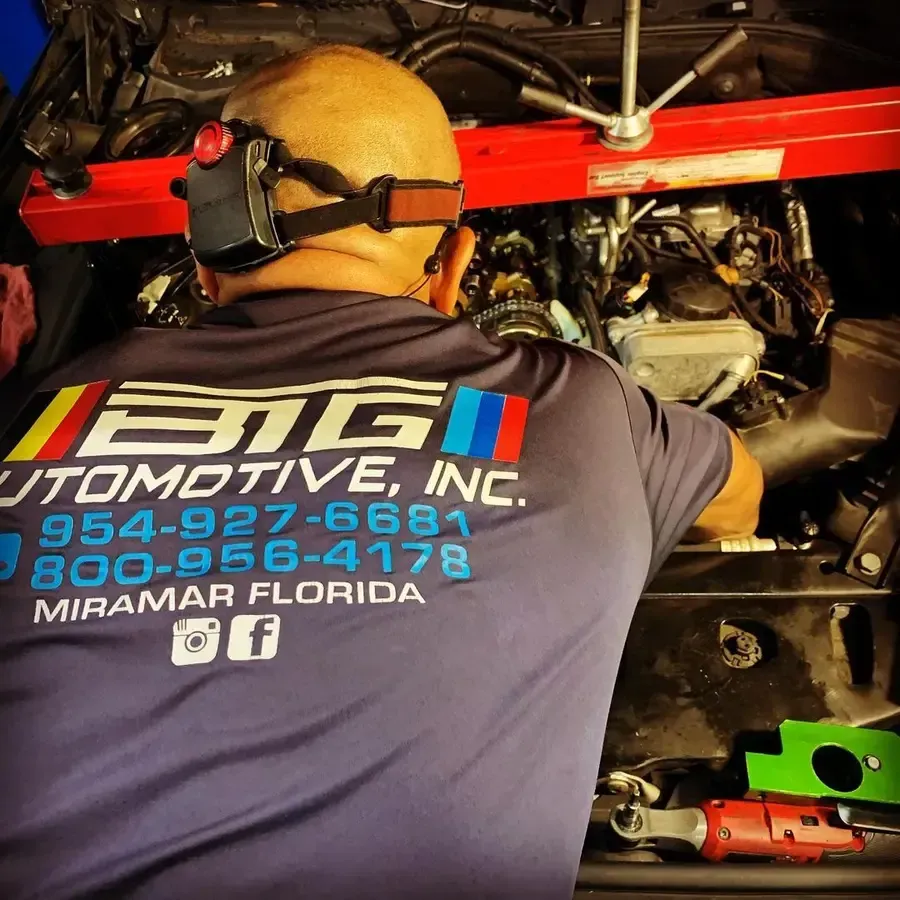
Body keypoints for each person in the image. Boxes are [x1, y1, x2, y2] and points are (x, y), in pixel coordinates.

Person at [0, 44, 762, 899]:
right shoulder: (583, 409)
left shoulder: (37, 413)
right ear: (455, 267)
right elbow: (738, 494)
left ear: (202, 246)